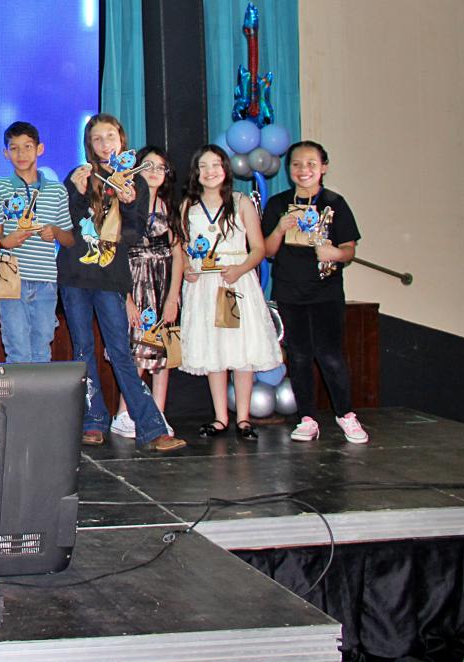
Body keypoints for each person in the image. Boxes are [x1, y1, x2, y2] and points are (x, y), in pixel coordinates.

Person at [60, 115, 185, 451]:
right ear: (89, 143)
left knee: (121, 351)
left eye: (110, 136)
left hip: (111, 278)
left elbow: (133, 234)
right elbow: (69, 230)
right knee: (83, 349)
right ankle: (93, 421)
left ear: (122, 139)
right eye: (97, 138)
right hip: (74, 276)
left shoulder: (136, 182)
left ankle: (151, 428)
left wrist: (129, 205)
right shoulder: (78, 176)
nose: (104, 144)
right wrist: (77, 192)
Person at [168, 145, 281, 439]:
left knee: (241, 351)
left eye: (216, 165)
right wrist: (189, 272)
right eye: (203, 166)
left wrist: (241, 270)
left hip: (235, 282)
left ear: (226, 169)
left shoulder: (241, 202)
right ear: (196, 173)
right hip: (203, 286)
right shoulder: (187, 207)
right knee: (213, 351)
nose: (210, 172)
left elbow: (258, 249)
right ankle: (220, 417)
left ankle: (243, 419)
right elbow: (181, 250)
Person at [261, 140, 366, 444]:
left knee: (331, 356)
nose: (303, 170)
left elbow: (349, 249)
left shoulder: (335, 203)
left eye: (310, 163)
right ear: (289, 169)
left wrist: (334, 252)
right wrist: (280, 228)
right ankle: (306, 418)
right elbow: (267, 251)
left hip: (326, 292)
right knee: (299, 356)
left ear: (324, 167)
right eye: (296, 164)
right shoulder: (279, 204)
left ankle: (346, 415)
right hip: (290, 292)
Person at [0, 122, 75, 363]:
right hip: (11, 276)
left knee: (42, 349)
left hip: (46, 279)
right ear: (6, 153)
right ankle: (18, 402)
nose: (21, 154)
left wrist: (55, 231)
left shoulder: (57, 190)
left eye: (27, 146)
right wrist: (6, 241)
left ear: (40, 149)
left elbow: (69, 239)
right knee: (17, 350)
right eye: (14, 148)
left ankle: (39, 402)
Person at [111, 146, 175, 439]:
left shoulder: (170, 206)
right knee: (133, 350)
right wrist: (126, 298)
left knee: (162, 353)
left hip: (162, 284)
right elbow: (115, 252)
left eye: (160, 167)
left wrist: (173, 297)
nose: (153, 172)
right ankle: (126, 413)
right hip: (133, 282)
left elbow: (180, 253)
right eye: (147, 165)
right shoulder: (126, 204)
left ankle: (157, 414)